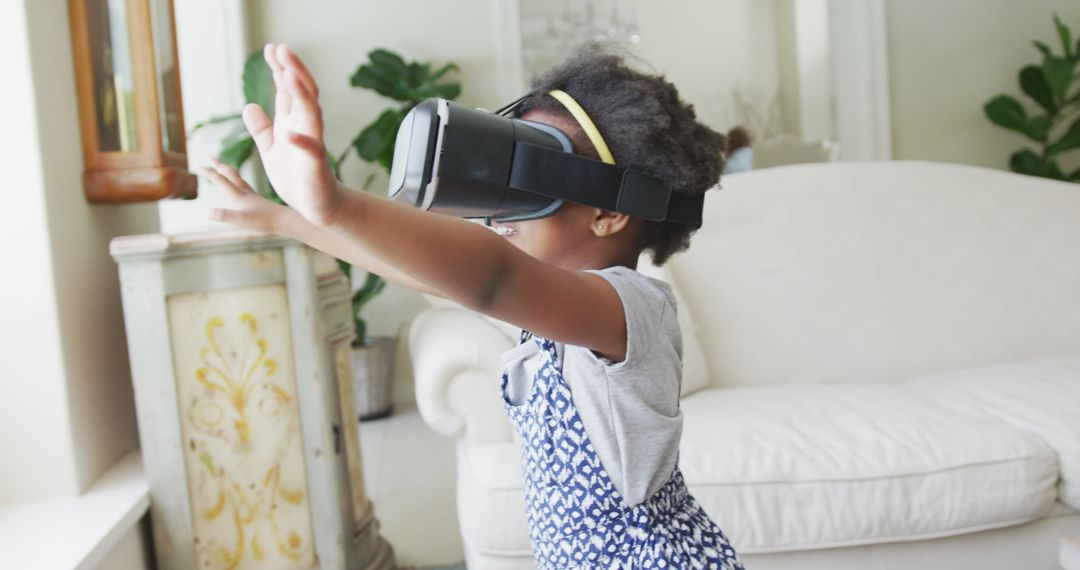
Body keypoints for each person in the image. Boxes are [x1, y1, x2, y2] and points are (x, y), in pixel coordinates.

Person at [204, 42, 744, 570]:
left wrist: (338, 205)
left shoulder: (631, 307)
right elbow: (434, 276)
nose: (500, 212)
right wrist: (292, 217)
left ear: (608, 214)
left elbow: (493, 278)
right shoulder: (553, 308)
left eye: (530, 187)